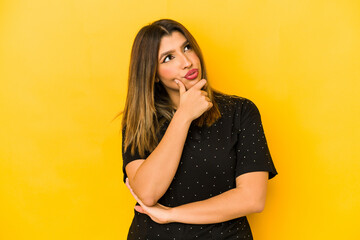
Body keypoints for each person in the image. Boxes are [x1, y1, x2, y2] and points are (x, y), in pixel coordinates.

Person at [121, 19, 278, 240]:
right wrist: (183, 116)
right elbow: (147, 194)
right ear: (153, 73)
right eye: (168, 58)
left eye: (187, 47)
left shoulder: (241, 111)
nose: (186, 62)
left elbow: (253, 198)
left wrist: (172, 214)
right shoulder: (139, 121)